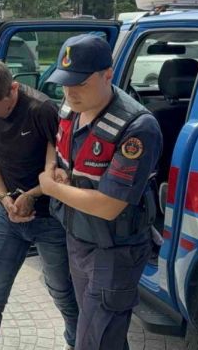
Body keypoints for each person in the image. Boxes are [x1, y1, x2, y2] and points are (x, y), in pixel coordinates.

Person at [38, 34, 162, 350]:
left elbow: (109, 205)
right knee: (104, 336)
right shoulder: (71, 107)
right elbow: (57, 144)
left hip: (114, 250)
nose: (70, 92)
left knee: (93, 341)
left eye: (80, 83)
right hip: (78, 237)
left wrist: (52, 188)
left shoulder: (136, 127)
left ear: (108, 74)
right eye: (65, 83)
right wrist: (54, 167)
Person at [0, 59, 79, 350]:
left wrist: (32, 194)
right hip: (9, 214)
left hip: (50, 217)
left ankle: (76, 341)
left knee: (61, 291)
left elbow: (64, 169)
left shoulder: (41, 110)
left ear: (13, 89)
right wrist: (4, 198)